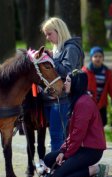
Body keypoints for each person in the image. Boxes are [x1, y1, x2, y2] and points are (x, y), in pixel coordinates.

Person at [39, 70, 108, 177]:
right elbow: (73, 134)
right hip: (80, 148)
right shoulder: (78, 100)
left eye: (68, 81)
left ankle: (96, 170)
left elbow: (78, 134)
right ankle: (81, 174)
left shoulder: (84, 103)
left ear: (77, 84)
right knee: (49, 159)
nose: (65, 83)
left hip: (90, 151)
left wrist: (66, 154)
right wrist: (62, 151)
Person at [41, 17, 85, 151]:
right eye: (46, 34)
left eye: (50, 34)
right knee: (61, 136)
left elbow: (67, 71)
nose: (47, 38)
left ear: (59, 31)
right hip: (52, 98)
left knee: (56, 136)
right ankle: (64, 166)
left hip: (63, 99)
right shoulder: (58, 48)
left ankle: (56, 168)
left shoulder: (71, 48)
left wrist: (51, 59)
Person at [82, 46, 112, 126]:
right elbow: (80, 86)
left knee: (102, 122)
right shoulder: (86, 71)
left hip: (101, 103)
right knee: (89, 123)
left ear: (103, 58)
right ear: (91, 58)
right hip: (89, 103)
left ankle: (98, 138)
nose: (98, 59)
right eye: (95, 56)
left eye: (100, 56)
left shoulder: (107, 72)